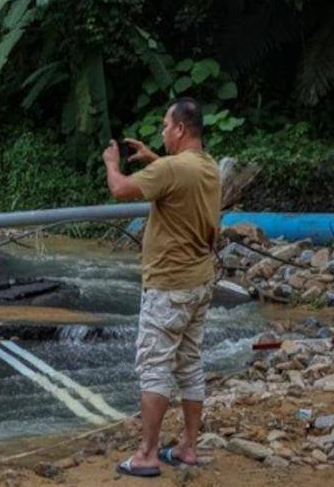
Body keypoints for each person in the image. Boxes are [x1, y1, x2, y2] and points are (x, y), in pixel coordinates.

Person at [101, 96, 221, 478]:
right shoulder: (208, 167)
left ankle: (147, 453)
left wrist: (111, 164)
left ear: (181, 129)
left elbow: (120, 190)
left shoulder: (172, 169)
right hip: (199, 283)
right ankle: (186, 446)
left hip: (168, 285)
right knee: (189, 365)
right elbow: (176, 179)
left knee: (154, 366)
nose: (164, 132)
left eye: (167, 126)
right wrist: (155, 158)